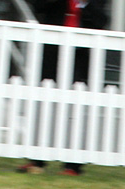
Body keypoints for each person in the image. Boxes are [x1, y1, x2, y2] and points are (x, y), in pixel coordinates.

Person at [17, 0, 108, 176]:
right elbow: (39, 6)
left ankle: (73, 166)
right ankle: (37, 161)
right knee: (43, 106)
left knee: (75, 112)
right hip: (52, 52)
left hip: (80, 57)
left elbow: (101, 20)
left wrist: (84, 5)